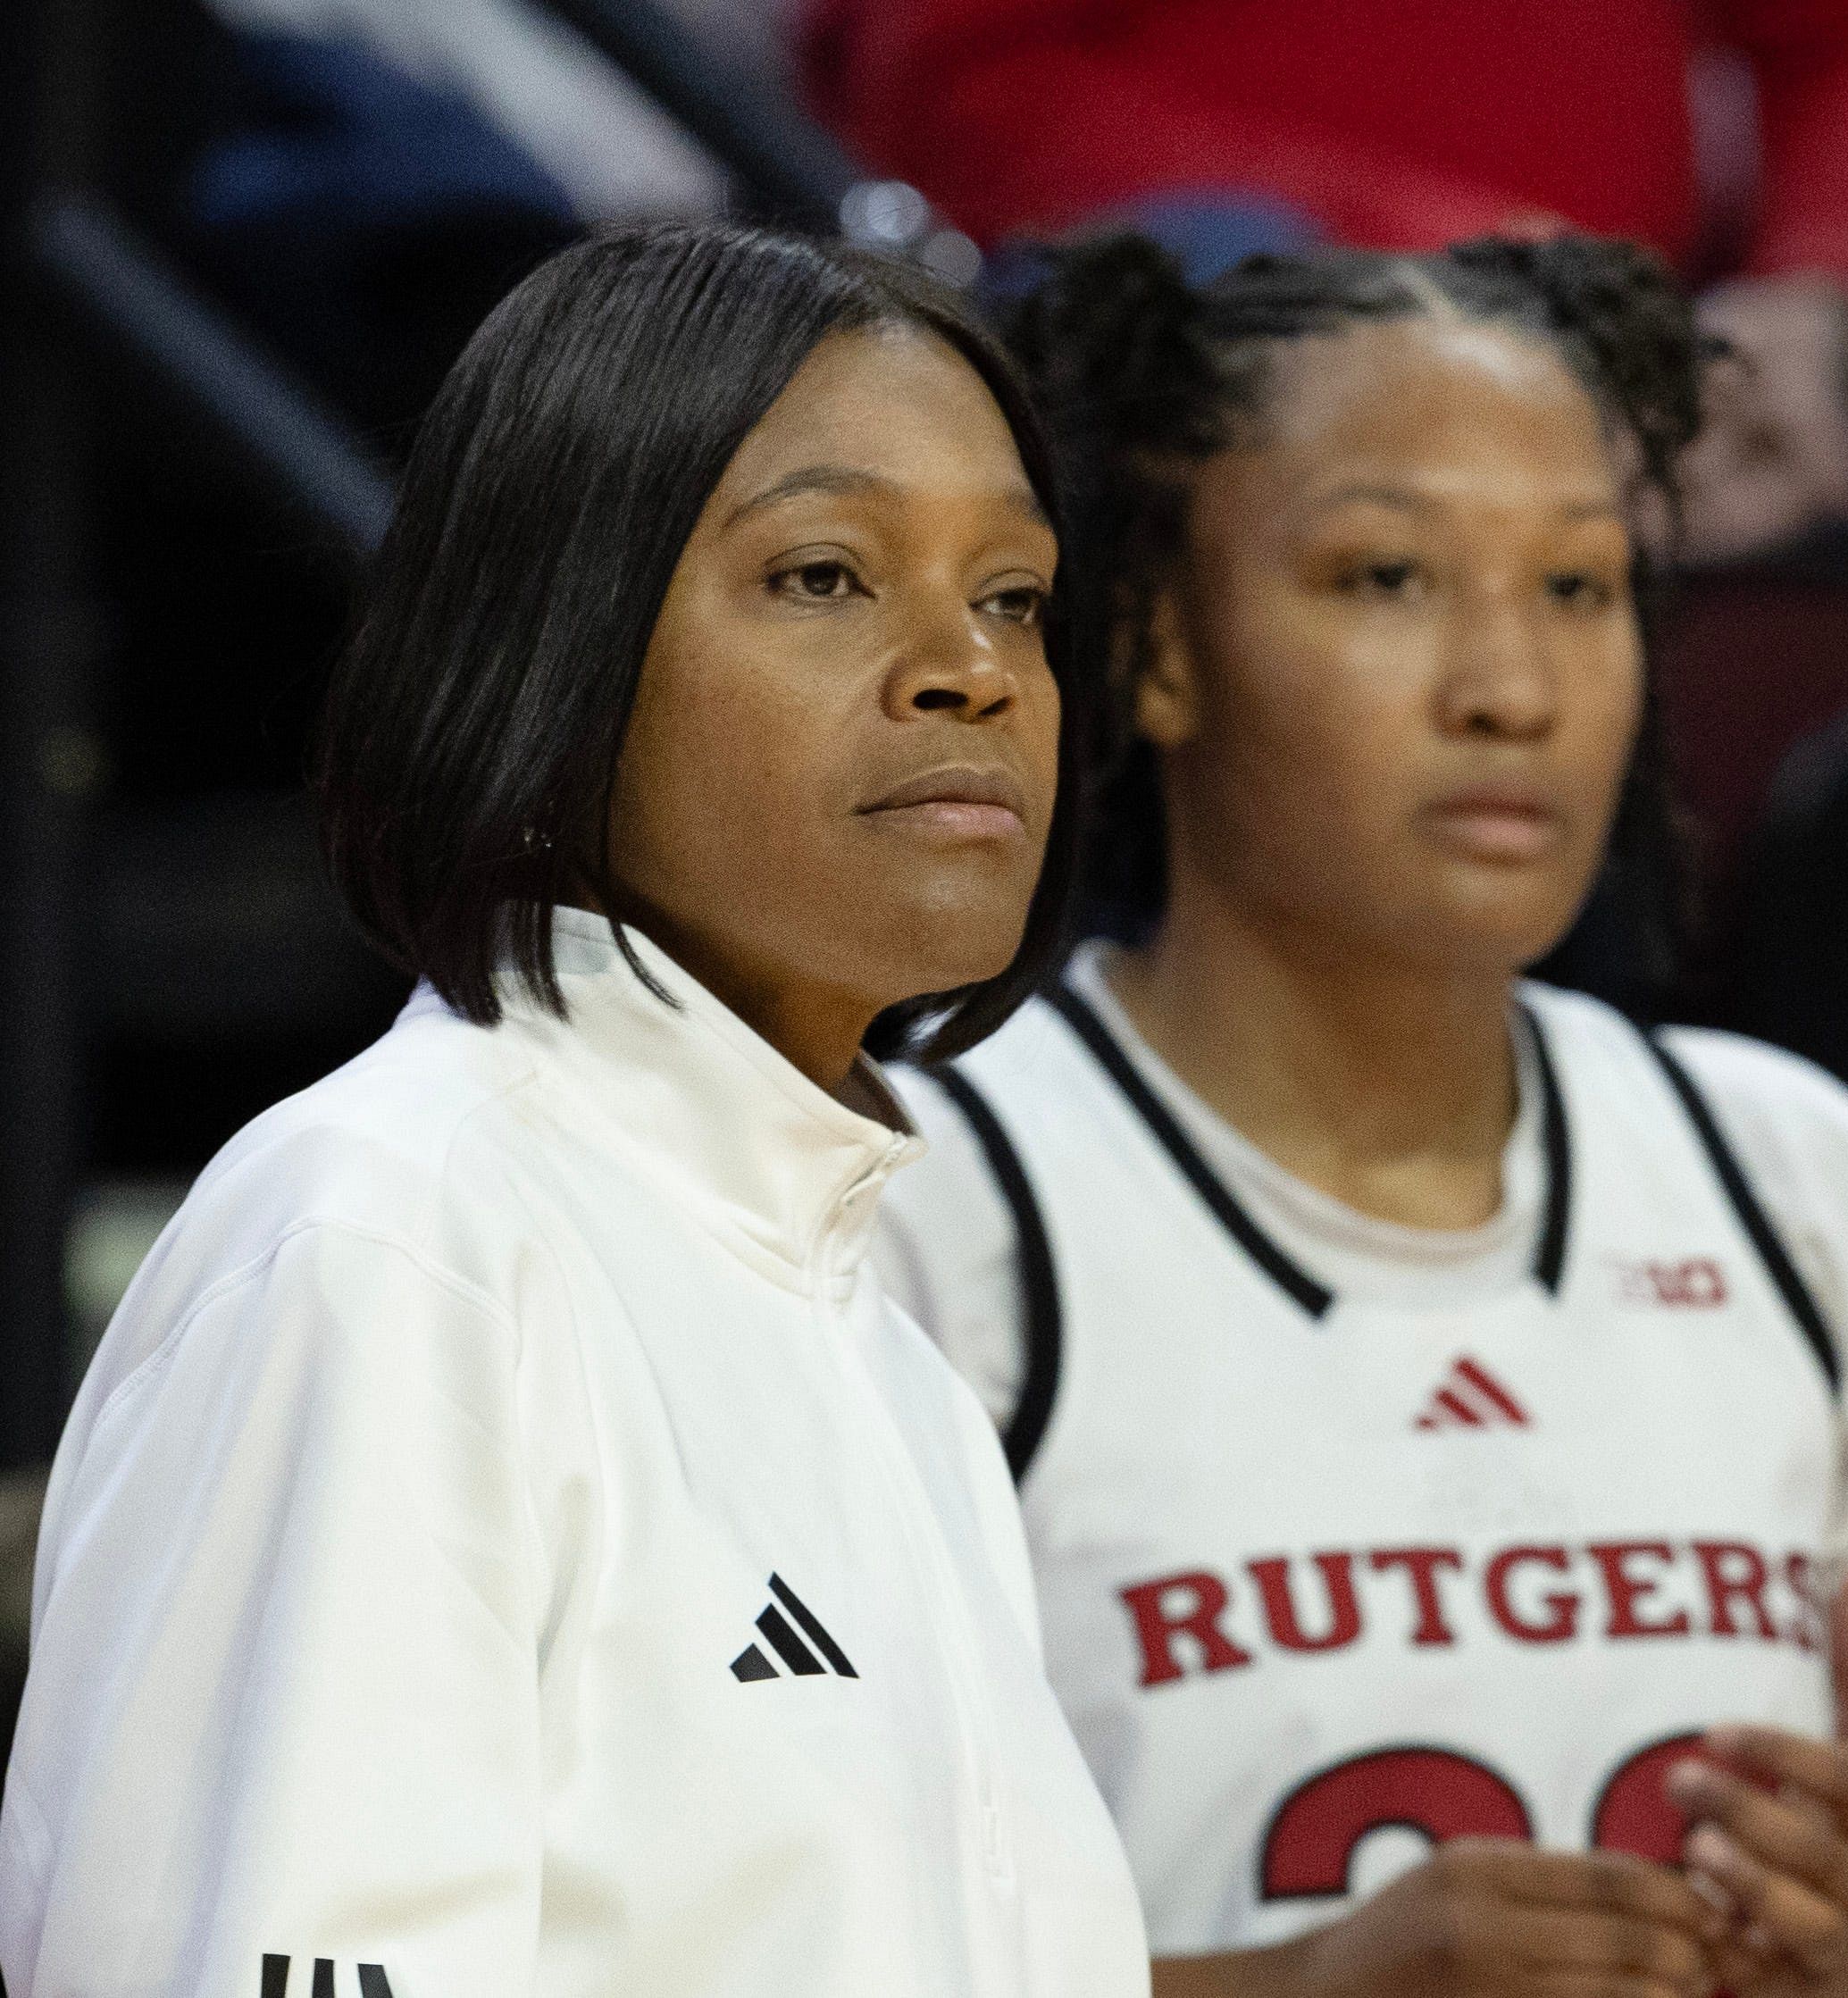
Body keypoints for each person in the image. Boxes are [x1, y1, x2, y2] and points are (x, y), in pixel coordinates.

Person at [869, 231, 1848, 1997]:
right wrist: (1303, 1989)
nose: (1510, 687)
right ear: (1150, 646)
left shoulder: (1797, 1175)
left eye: (1577, 589)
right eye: (1386, 578)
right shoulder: (913, 1191)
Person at [0, 222, 1149, 1997]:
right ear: (553, 648)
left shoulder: (883, 1350)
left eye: (1012, 594)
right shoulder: (395, 1239)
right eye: (826, 574)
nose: (968, 669)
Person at [799, 0, 1848, 565]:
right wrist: (1456, 279)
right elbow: (969, 98)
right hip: (1259, 301)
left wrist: (1821, 299)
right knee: (1219, 296)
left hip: (1676, 346)